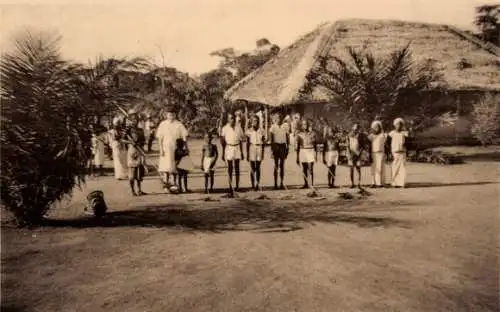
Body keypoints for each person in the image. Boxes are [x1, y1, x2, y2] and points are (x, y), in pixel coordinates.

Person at [156, 105, 189, 192]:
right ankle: (166, 186)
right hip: (166, 149)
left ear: (175, 115)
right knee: (165, 168)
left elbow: (184, 136)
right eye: (169, 114)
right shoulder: (162, 124)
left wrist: (186, 147)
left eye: (173, 114)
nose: (171, 116)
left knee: (174, 168)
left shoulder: (179, 124)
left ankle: (174, 186)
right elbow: (160, 138)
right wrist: (161, 150)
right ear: (166, 115)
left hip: (176, 150)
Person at [221, 112, 245, 193]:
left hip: (237, 147)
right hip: (229, 148)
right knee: (230, 168)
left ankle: (237, 186)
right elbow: (223, 142)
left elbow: (241, 139)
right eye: (230, 118)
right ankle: (230, 186)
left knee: (237, 168)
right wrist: (222, 153)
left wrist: (242, 152)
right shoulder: (225, 128)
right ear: (228, 119)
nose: (232, 120)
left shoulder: (239, 127)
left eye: (233, 118)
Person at [124, 111, 146, 196]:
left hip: (139, 150)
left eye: (136, 120)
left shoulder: (140, 130)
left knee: (139, 172)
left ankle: (139, 190)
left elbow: (143, 140)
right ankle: (132, 190)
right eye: (132, 120)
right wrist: (130, 141)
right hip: (132, 151)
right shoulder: (127, 130)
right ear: (130, 120)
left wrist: (140, 143)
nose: (134, 121)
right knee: (132, 173)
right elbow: (121, 139)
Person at [389, 118, 412, 188]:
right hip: (394, 153)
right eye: (397, 124)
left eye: (400, 124)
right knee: (394, 168)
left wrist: (411, 127)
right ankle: (394, 183)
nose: (398, 126)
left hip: (402, 153)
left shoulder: (404, 133)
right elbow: (388, 142)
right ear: (394, 125)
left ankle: (401, 183)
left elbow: (410, 138)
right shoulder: (391, 133)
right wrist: (390, 153)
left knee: (402, 169)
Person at [269, 112, 290, 189]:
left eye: (280, 118)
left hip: (283, 146)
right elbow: (271, 138)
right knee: (276, 165)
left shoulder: (286, 125)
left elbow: (287, 137)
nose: (279, 119)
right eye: (277, 118)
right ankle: (275, 184)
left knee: (282, 165)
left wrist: (288, 148)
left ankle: (281, 183)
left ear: (282, 118)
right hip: (276, 146)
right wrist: (272, 148)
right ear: (275, 119)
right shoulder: (273, 127)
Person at [296, 118, 317, 188]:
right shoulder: (299, 134)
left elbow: (315, 144)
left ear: (308, 125)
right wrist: (297, 157)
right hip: (303, 151)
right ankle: (305, 184)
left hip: (310, 150)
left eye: (306, 124)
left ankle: (311, 184)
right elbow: (298, 147)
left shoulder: (312, 133)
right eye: (303, 124)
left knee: (310, 168)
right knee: (304, 169)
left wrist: (315, 154)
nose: (304, 126)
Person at [246, 115, 266, 191]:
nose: (255, 122)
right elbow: (247, 143)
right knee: (252, 167)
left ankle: (257, 184)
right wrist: (247, 154)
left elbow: (263, 142)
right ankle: (252, 185)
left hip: (259, 148)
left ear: (258, 122)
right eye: (253, 121)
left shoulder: (262, 130)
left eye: (256, 121)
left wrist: (263, 153)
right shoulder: (249, 131)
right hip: (252, 147)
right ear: (251, 122)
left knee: (258, 167)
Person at [346, 123, 368, 188]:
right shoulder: (349, 135)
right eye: (355, 128)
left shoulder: (361, 136)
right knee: (351, 169)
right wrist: (349, 154)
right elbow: (347, 146)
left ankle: (358, 183)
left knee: (358, 169)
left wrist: (359, 153)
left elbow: (363, 146)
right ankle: (352, 183)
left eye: (357, 128)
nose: (356, 130)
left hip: (358, 154)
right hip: (351, 154)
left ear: (359, 129)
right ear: (352, 128)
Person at [368, 120, 388, 188]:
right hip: (373, 153)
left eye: (377, 127)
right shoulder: (371, 136)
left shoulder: (383, 135)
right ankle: (373, 183)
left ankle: (380, 183)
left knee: (380, 168)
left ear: (380, 127)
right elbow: (368, 141)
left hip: (381, 153)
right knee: (373, 168)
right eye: (374, 127)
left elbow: (385, 140)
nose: (376, 128)